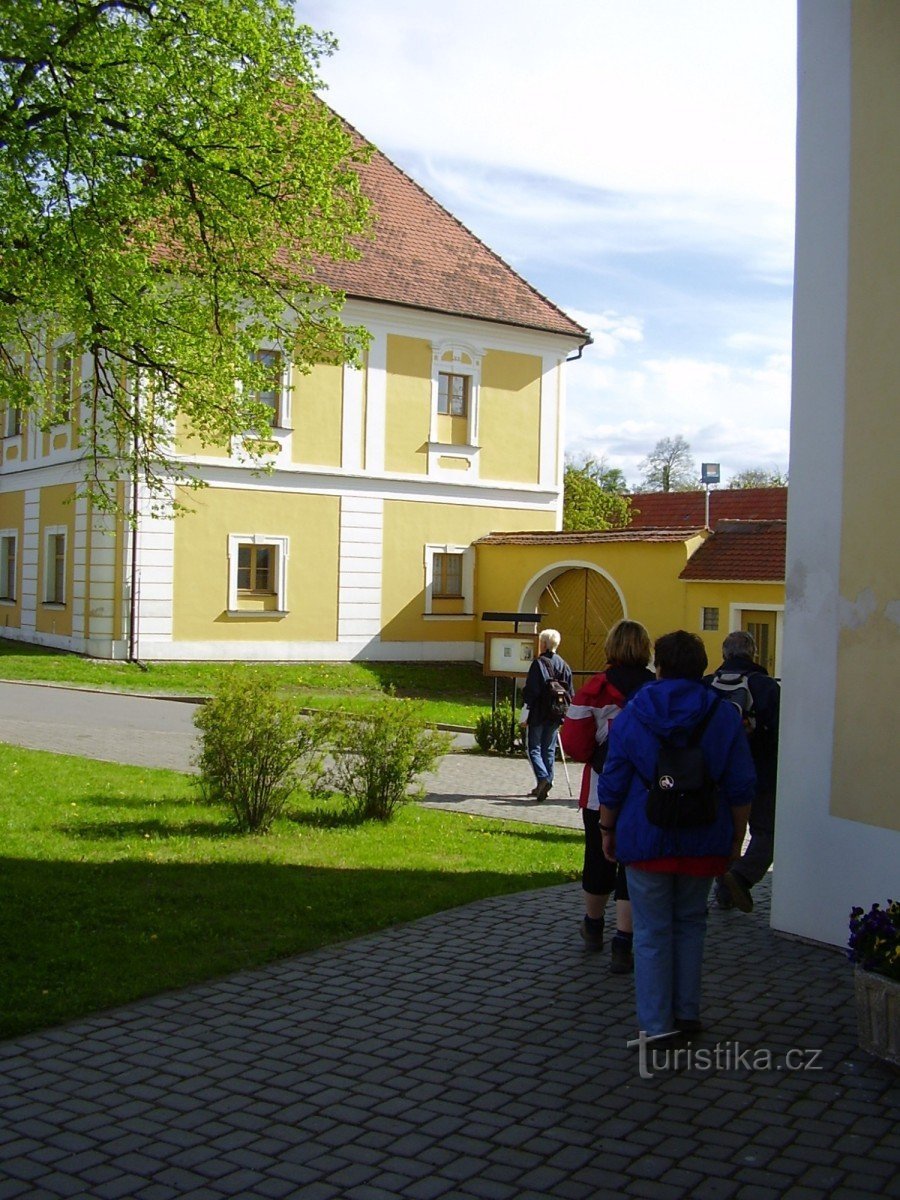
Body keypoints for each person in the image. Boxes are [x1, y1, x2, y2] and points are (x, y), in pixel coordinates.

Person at [596, 630, 755, 1041]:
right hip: (704, 836)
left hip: (646, 835)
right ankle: (686, 1013)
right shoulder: (723, 716)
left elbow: (613, 781)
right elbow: (741, 784)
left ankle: (655, 1023)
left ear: (659, 666)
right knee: (691, 924)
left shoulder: (633, 714)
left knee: (650, 933)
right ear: (702, 667)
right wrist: (736, 838)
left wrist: (606, 828)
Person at [560, 619, 654, 972]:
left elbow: (574, 744)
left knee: (597, 856)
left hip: (601, 790)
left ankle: (594, 925)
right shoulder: (656, 688)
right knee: (632, 864)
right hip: (646, 792)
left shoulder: (595, 689)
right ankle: (624, 940)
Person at [705, 630, 781, 914]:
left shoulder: (707, 684)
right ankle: (739, 877)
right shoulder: (767, 686)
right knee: (767, 833)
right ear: (753, 654)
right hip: (760, 772)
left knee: (721, 830)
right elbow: (779, 734)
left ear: (724, 654)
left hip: (715, 773)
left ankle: (723, 886)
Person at [520, 628, 573, 803]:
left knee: (533, 747)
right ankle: (545, 784)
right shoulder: (564, 665)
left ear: (543, 643)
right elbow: (570, 692)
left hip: (539, 711)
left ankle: (543, 778)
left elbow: (532, 690)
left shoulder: (539, 663)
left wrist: (525, 708)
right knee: (548, 749)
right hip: (556, 712)